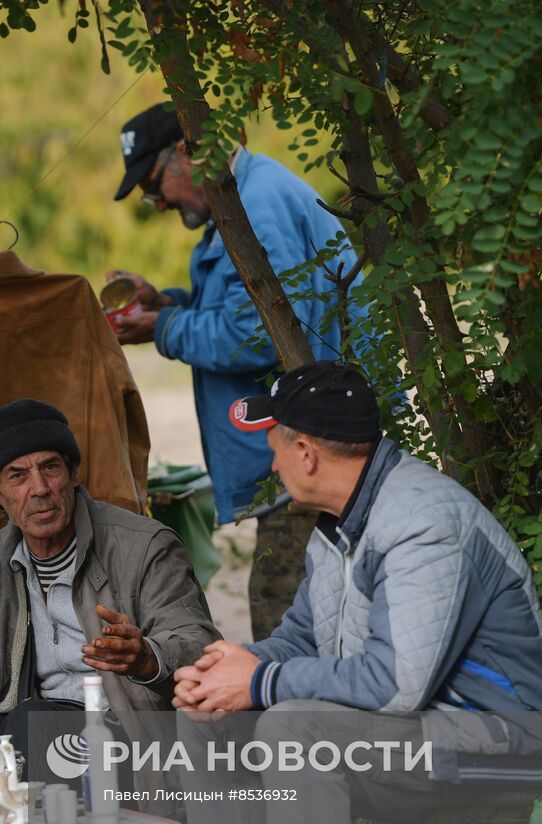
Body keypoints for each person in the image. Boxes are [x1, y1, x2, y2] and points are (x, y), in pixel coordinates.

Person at [171, 361, 542, 824]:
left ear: (306, 453)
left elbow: (395, 685)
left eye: (275, 450)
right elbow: (302, 638)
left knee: (296, 729)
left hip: (521, 742)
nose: (272, 465)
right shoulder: (339, 522)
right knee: (206, 720)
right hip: (433, 731)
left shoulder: (422, 521)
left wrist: (259, 681)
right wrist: (229, 673)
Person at [108, 102, 368, 641]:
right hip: (301, 457)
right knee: (300, 627)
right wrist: (166, 305)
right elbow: (247, 308)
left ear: (187, 152)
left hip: (317, 455)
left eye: (153, 186)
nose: (157, 203)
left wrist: (163, 327)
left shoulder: (258, 205)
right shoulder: (240, 200)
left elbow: (259, 333)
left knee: (285, 633)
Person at [0, 398, 219, 789]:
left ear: (72, 474)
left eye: (50, 467)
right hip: (31, 732)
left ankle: (11, 819)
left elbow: (199, 648)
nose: (39, 489)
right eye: (17, 476)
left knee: (32, 720)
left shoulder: (144, 547)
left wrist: (145, 659)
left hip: (126, 735)